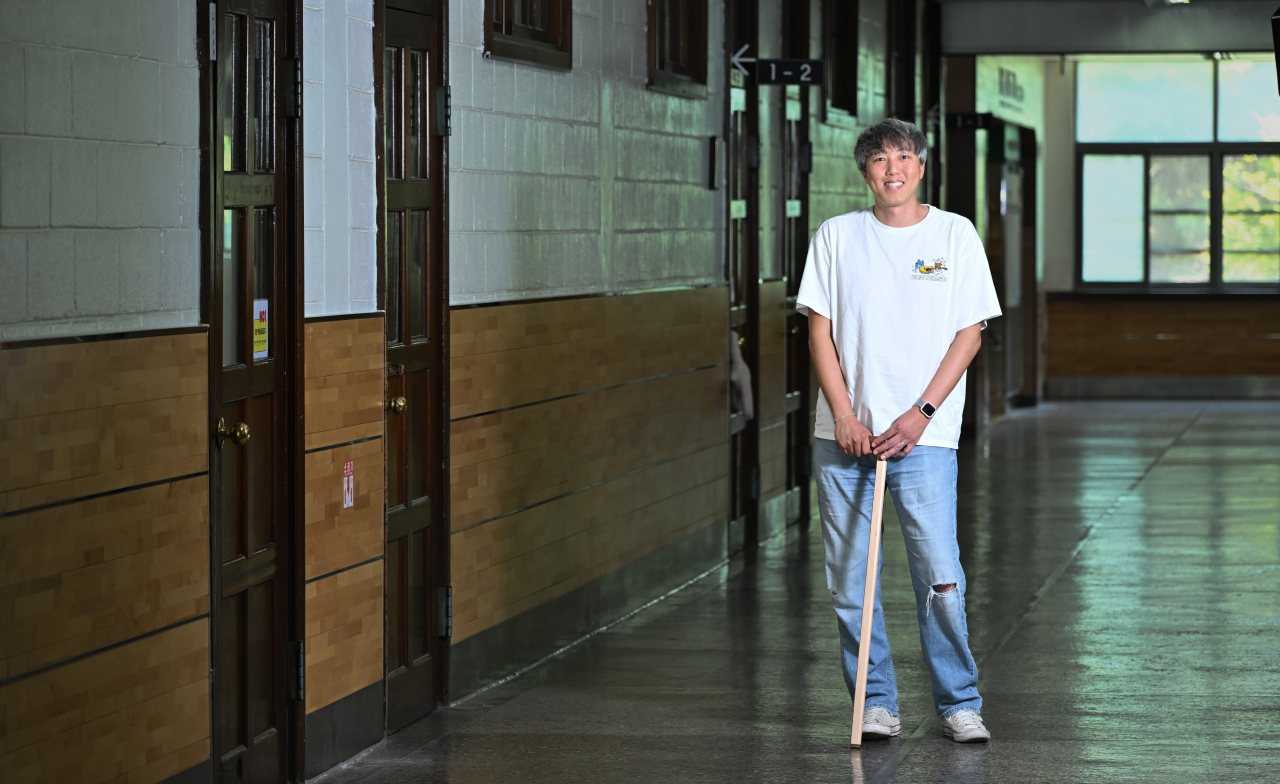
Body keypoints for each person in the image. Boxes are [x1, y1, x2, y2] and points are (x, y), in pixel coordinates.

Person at [796, 118, 1001, 744]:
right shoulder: (837, 236)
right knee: (852, 578)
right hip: (845, 438)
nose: (893, 169)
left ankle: (958, 701)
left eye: (904, 157)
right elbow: (819, 331)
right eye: (880, 159)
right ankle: (874, 701)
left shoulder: (954, 234)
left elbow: (970, 332)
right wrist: (846, 416)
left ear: (921, 166)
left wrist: (922, 413)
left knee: (940, 574)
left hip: (925, 439)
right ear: (864, 171)